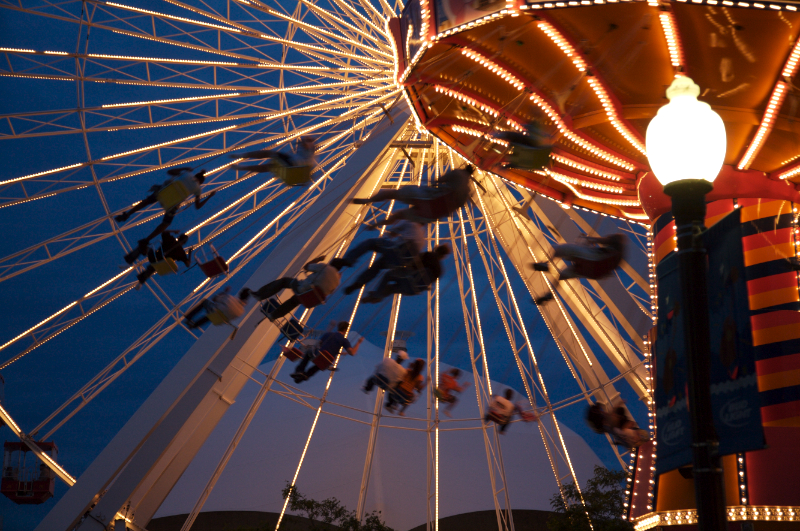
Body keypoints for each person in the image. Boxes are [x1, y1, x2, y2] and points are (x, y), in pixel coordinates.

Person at [120, 168, 215, 264]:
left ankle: (128, 213)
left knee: (147, 201)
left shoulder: (187, 173)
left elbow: (169, 172)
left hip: (163, 192)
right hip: (172, 203)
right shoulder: (198, 189)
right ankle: (147, 240)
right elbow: (197, 206)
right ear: (201, 182)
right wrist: (210, 196)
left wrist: (186, 168)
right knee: (166, 223)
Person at [331, 220, 425, 295]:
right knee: (378, 266)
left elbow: (392, 233)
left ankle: (349, 260)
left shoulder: (409, 222)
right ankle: (358, 283)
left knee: (370, 243)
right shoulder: (422, 236)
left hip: (399, 249)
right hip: (403, 260)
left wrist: (384, 238)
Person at [353, 166, 473, 225]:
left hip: (429, 197)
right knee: (400, 215)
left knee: (393, 194)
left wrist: (436, 182)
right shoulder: (467, 192)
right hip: (433, 213)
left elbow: (441, 180)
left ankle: (367, 200)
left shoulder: (458, 173)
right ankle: (379, 224)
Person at [531, 233, 626, 305]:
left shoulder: (616, 242)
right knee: (562, 275)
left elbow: (602, 241)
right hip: (594, 272)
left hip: (594, 259)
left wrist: (589, 238)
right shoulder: (619, 255)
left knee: (559, 248)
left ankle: (546, 263)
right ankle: (550, 294)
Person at [241, 257, 341, 320]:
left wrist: (317, 260)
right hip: (311, 299)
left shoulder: (325, 267)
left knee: (285, 281)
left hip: (303, 289)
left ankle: (260, 294)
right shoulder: (337, 282)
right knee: (295, 300)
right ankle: (274, 315)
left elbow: (307, 267)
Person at [361, 244, 451, 303]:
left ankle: (377, 295)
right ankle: (376, 296)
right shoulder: (440, 271)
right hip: (414, 289)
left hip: (409, 278)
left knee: (388, 275)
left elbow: (412, 262)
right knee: (391, 288)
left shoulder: (428, 255)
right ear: (443, 256)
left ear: (436, 249)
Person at [290, 321, 364, 383]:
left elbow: (320, 344)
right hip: (327, 360)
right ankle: (307, 375)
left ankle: (299, 371)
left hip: (320, 354)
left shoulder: (328, 334)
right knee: (320, 364)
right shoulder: (344, 340)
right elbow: (352, 352)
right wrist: (359, 342)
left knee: (309, 354)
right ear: (345, 330)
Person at [230, 136, 317, 174]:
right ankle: (242, 159)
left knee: (270, 160)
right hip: (292, 161)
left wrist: (305, 141)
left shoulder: (310, 149)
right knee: (269, 160)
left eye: (308, 139)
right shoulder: (303, 148)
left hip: (295, 165)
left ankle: (242, 163)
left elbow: (308, 146)